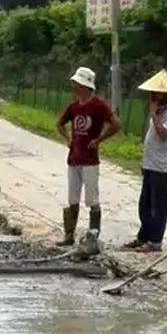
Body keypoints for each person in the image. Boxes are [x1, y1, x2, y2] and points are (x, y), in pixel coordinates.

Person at [56, 66, 121, 246]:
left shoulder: (99, 105)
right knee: (73, 198)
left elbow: (116, 124)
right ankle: (69, 235)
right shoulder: (74, 105)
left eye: (76, 84)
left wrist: (99, 140)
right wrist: (68, 139)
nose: (74, 87)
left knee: (92, 199)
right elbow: (60, 123)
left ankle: (93, 237)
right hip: (74, 157)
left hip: (90, 160)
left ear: (84, 86)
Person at [122, 70, 167, 253]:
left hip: (163, 165)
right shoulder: (159, 108)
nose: (152, 96)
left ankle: (155, 241)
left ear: (166, 93)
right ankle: (144, 236)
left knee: (158, 205)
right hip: (149, 163)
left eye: (156, 93)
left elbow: (164, 133)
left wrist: (154, 115)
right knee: (145, 203)